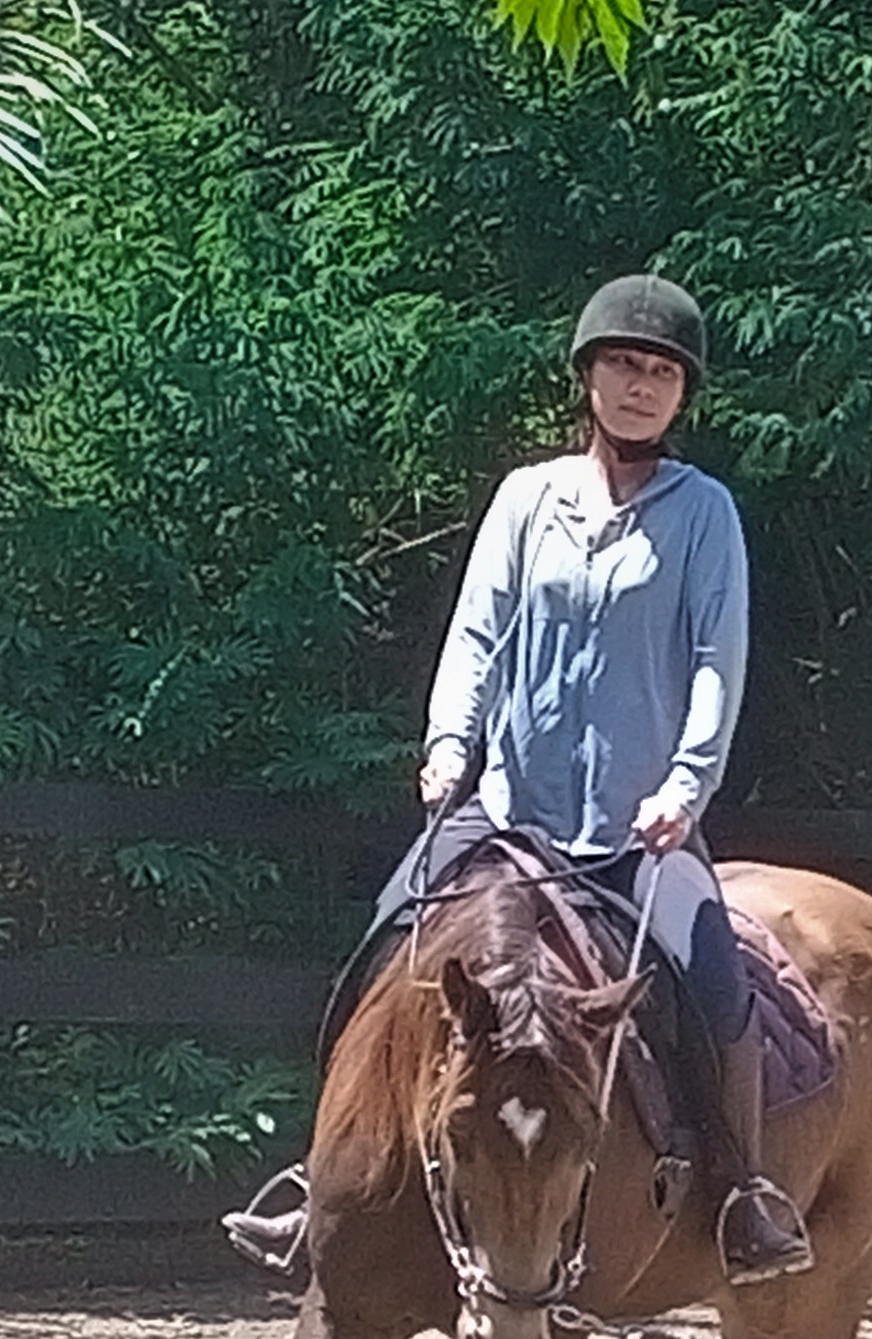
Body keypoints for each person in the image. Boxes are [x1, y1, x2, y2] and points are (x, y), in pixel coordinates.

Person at [226, 273, 812, 1285]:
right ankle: (323, 1178)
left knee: (716, 982)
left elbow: (719, 657)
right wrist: (448, 740)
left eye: (661, 372)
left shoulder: (704, 513)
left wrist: (686, 785)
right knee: (383, 941)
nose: (640, 385)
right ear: (588, 376)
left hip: (638, 827)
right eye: (624, 365)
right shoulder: (526, 498)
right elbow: (478, 628)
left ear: (682, 395)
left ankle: (743, 1195)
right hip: (509, 810)